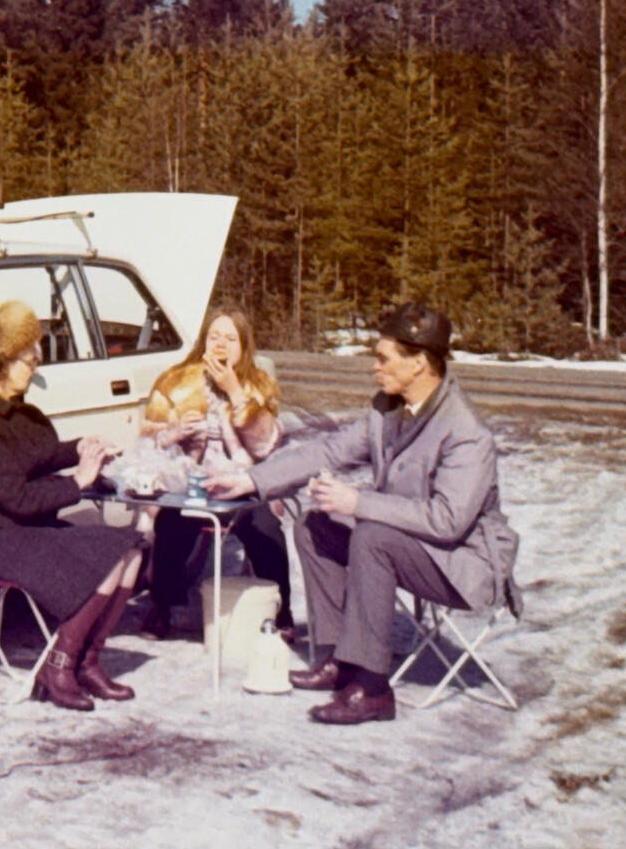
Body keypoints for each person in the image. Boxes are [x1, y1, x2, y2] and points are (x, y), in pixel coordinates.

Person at [207, 302, 522, 725]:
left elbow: (449, 521)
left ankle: (373, 689)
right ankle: (343, 661)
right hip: (412, 545)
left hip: (465, 565)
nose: (374, 367)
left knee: (372, 536)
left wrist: (359, 503)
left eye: (383, 358)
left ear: (419, 364)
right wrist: (254, 480)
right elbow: (329, 449)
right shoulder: (387, 410)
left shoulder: (466, 434)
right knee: (315, 524)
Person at [0, 299, 146, 711]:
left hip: (18, 529)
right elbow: (16, 497)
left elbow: (35, 456)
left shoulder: (11, 412)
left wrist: (82, 449)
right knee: (108, 558)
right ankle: (58, 666)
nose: (37, 361)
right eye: (28, 354)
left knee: (131, 551)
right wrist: (78, 482)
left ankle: (87, 663)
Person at [138, 306, 293, 638]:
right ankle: (162, 606)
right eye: (215, 336)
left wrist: (236, 393)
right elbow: (148, 439)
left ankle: (282, 612)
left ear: (244, 345)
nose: (221, 345)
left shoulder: (260, 384)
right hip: (191, 481)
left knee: (266, 528)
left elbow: (268, 447)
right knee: (172, 522)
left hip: (242, 484)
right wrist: (174, 431)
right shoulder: (175, 380)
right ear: (203, 342)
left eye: (231, 338)